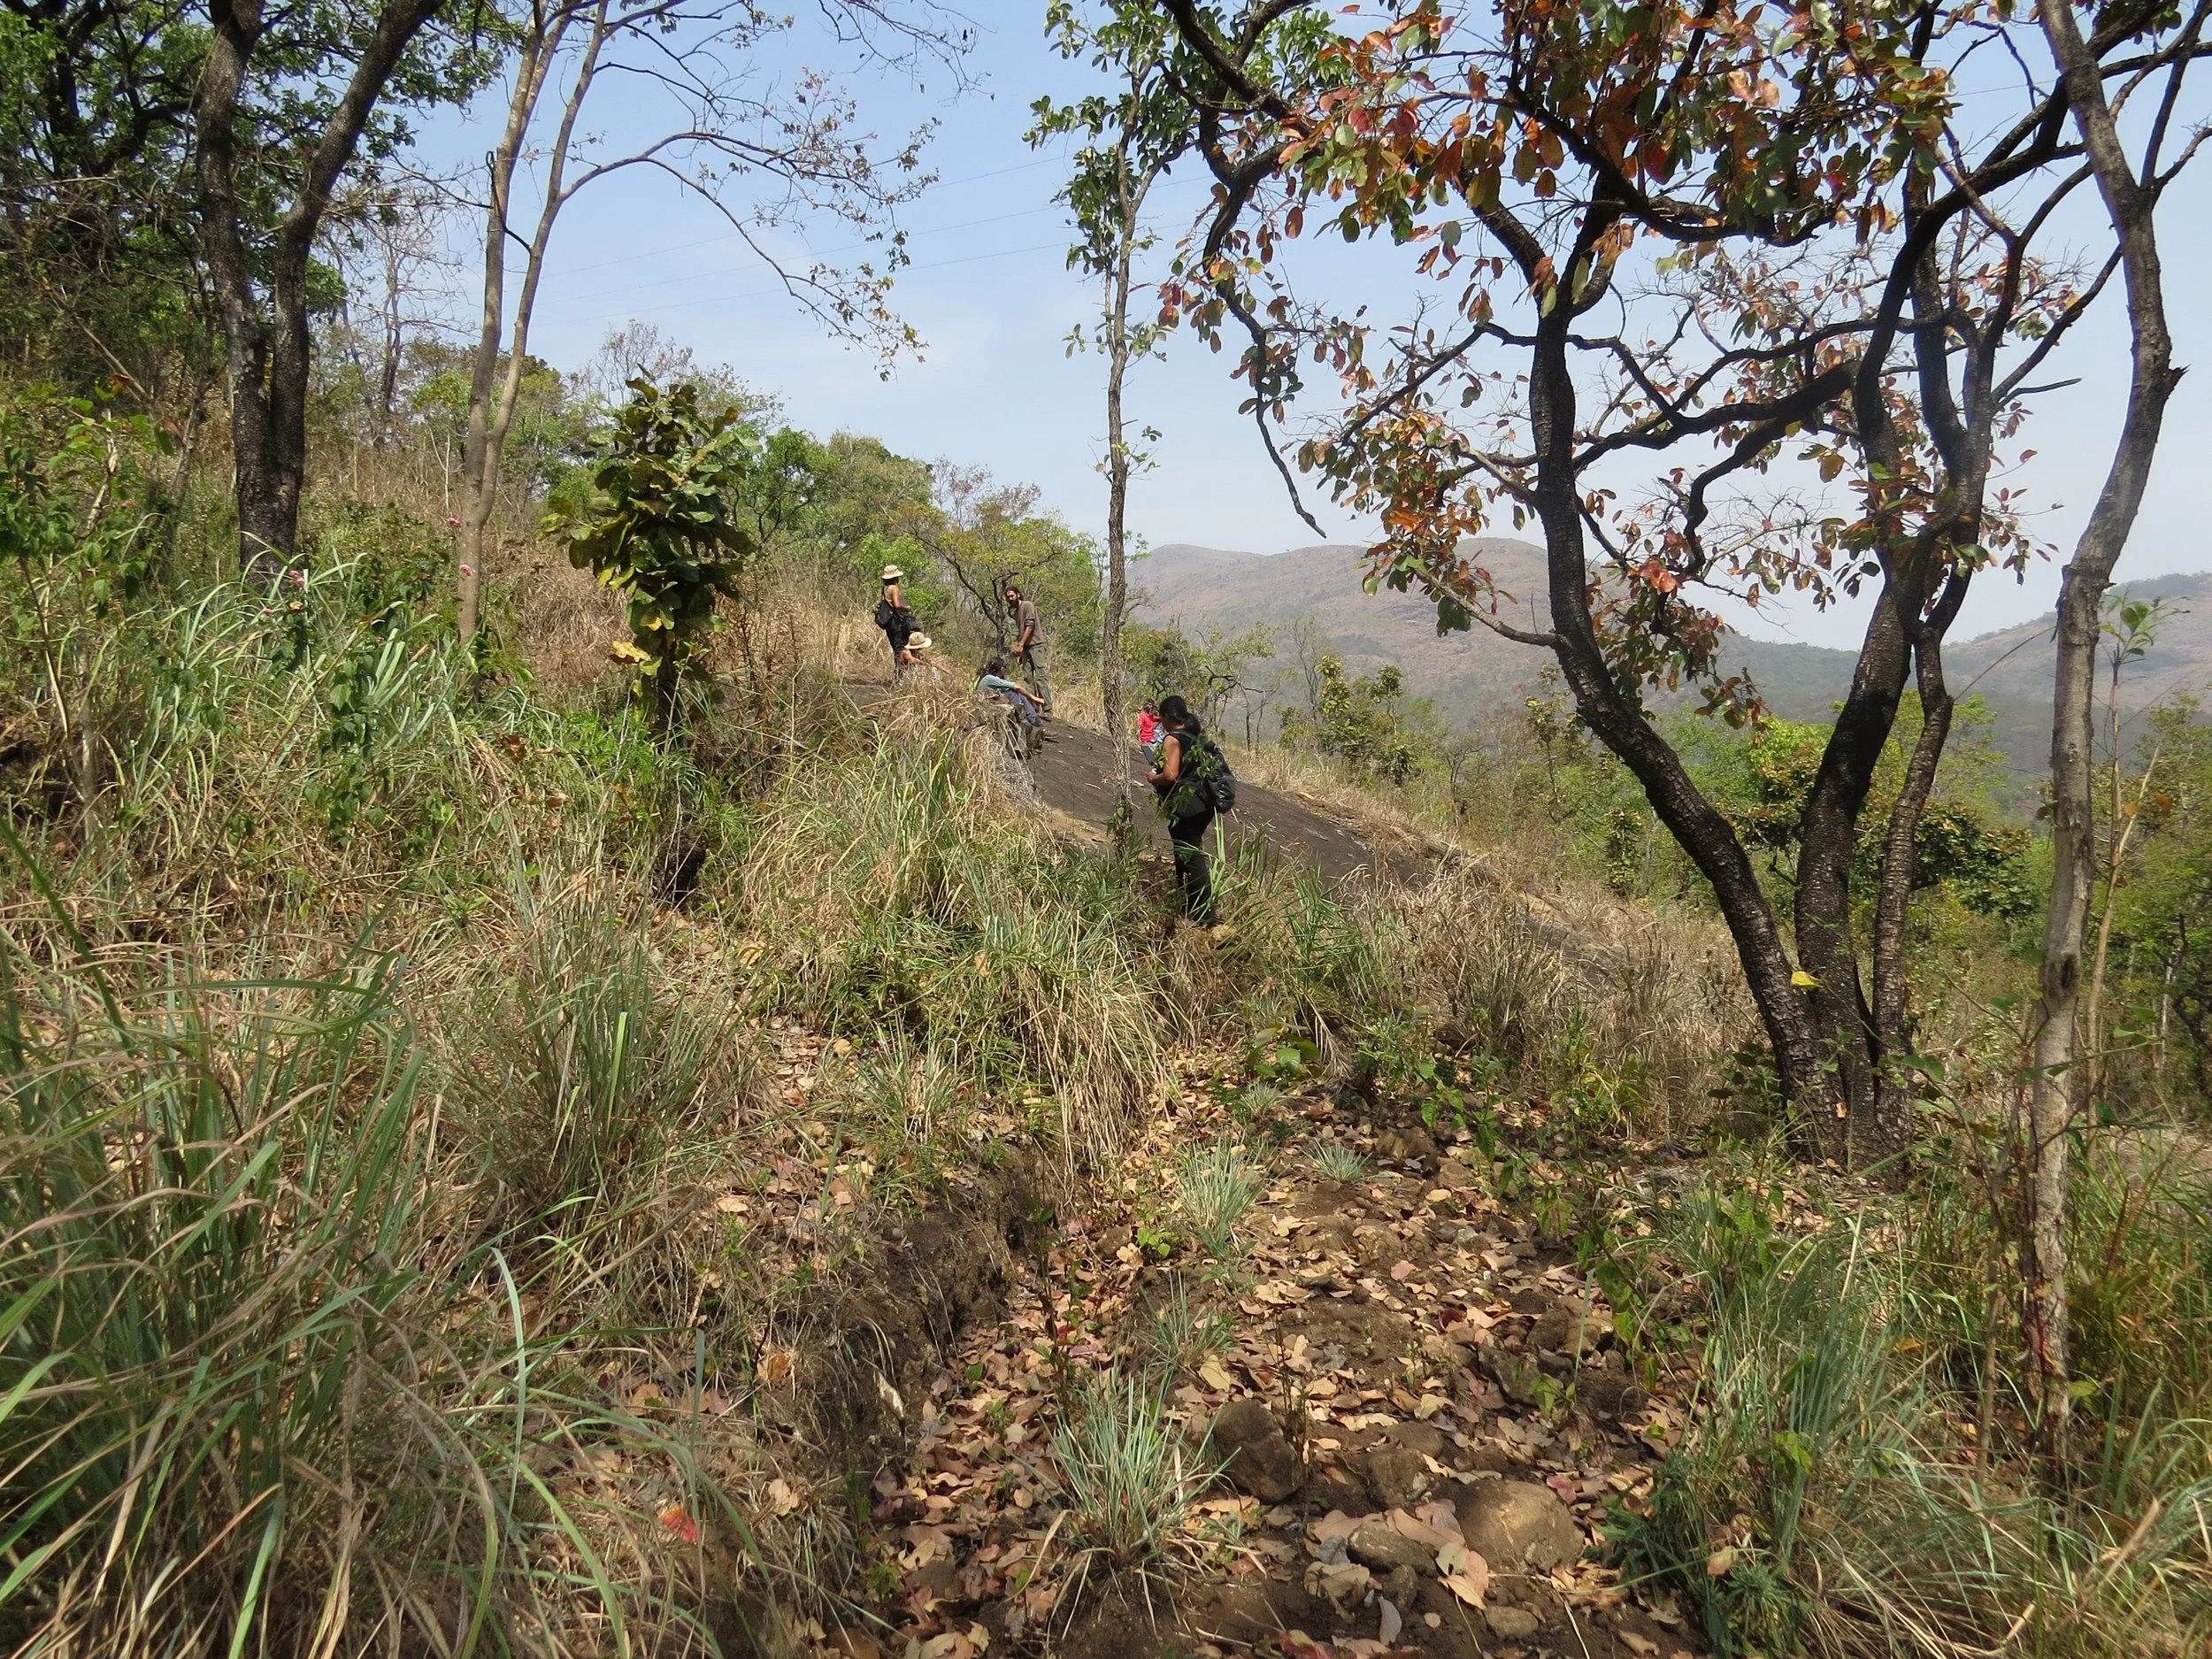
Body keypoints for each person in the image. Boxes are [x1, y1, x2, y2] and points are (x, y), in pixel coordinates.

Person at [1148, 695, 1217, 926]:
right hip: (1202, 803)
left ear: (1168, 716)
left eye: (1162, 718)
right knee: (1185, 855)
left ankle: (1204, 915)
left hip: (1185, 806)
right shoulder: (1194, 737)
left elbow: (1170, 775)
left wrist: (1153, 777)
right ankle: (1187, 908)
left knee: (1191, 858)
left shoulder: (1172, 739)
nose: (1160, 723)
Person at [977, 656, 1044, 757]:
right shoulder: (990, 678)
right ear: (1001, 669)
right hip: (987, 705)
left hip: (990, 702)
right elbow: (1016, 686)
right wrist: (1034, 698)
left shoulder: (988, 677)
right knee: (1014, 692)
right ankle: (1030, 721)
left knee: (1017, 693)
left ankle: (1031, 721)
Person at [1005, 581, 1050, 711]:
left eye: (1012, 596)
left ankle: (1047, 709)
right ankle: (1033, 708)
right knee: (1028, 678)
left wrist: (1020, 645)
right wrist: (1020, 650)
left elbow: (1030, 626)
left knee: (1040, 678)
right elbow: (1020, 631)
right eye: (1008, 597)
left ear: (1018, 595)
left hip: (1036, 645)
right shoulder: (1015, 612)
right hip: (1025, 649)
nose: (1010, 599)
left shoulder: (1027, 605)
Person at [875, 565, 914, 682]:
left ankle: (899, 676)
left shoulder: (885, 588)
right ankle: (900, 678)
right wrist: (907, 608)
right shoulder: (894, 588)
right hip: (896, 622)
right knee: (900, 648)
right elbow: (897, 605)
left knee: (896, 648)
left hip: (889, 623)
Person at [1135, 701, 1162, 766]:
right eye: (1149, 705)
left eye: (1151, 705)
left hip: (1152, 739)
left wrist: (1158, 709)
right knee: (1152, 761)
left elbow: (1162, 719)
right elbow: (1138, 729)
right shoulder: (1142, 716)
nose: (1150, 707)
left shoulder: (1151, 716)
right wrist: (1140, 741)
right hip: (1145, 741)